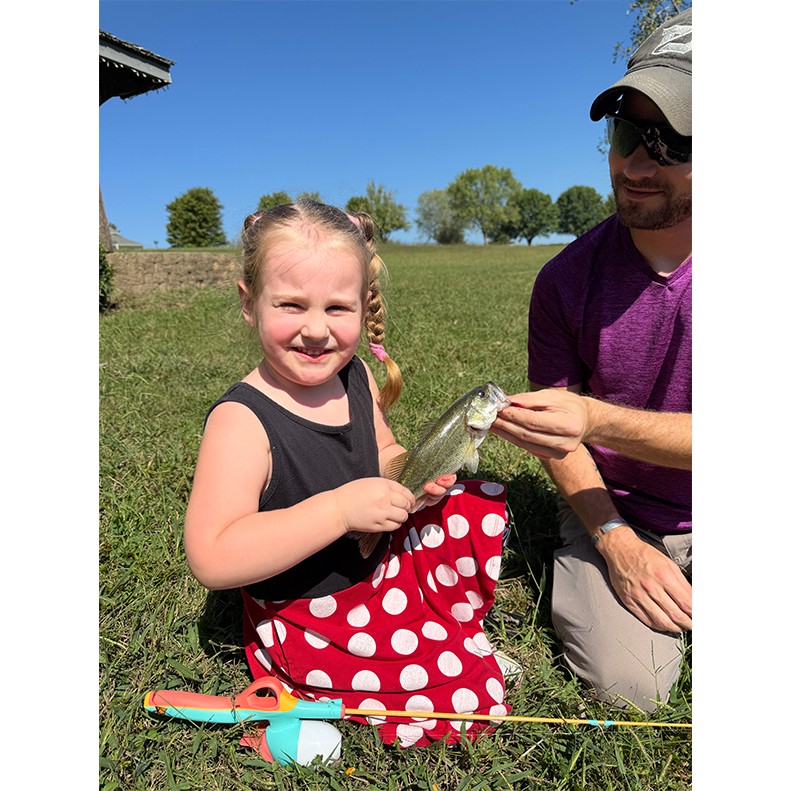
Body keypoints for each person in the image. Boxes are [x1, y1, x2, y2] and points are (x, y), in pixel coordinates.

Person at [184, 198, 512, 750]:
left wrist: (405, 475)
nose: (316, 330)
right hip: (310, 608)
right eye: (291, 304)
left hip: (372, 557)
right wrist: (337, 511)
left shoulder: (353, 373)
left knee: (467, 504)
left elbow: (382, 450)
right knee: (445, 694)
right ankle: (422, 657)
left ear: (364, 307)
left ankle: (443, 632)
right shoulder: (242, 421)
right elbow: (213, 556)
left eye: (338, 308)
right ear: (249, 304)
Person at [491, 7, 692, 713]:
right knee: (631, 688)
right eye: (626, 133)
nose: (636, 164)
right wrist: (614, 539)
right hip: (617, 510)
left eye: (671, 142)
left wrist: (592, 416)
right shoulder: (563, 281)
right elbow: (562, 442)